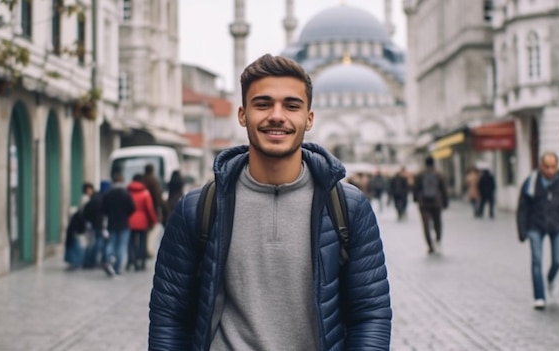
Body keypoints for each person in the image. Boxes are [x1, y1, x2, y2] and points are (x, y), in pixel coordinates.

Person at [149, 54, 392, 350]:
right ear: (242, 115)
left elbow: (370, 313)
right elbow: (170, 316)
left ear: (310, 118)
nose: (277, 115)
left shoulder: (348, 208)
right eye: (263, 104)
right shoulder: (198, 209)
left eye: (291, 105)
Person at [516, 152, 559, 310]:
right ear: (541, 166)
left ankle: (551, 278)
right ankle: (539, 296)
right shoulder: (532, 181)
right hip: (535, 225)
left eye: (553, 166)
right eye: (546, 166)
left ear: (557, 166)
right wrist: (522, 230)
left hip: (557, 224)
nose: (550, 170)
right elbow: (523, 207)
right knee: (537, 260)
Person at [101, 173, 136, 277]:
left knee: (111, 243)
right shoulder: (126, 194)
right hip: (123, 223)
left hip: (111, 223)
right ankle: (117, 268)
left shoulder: (108, 194)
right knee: (122, 246)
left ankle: (108, 260)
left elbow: (103, 209)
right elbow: (132, 208)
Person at [412, 156, 448, 254]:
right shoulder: (438, 174)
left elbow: (415, 188)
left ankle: (430, 245)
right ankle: (438, 240)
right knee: (437, 222)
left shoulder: (419, 174)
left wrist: (416, 199)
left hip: (424, 204)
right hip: (436, 203)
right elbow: (444, 189)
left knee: (426, 225)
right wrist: (445, 202)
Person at [126, 174, 158, 271]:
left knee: (131, 241)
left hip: (130, 220)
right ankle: (142, 262)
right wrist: (154, 219)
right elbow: (149, 209)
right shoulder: (145, 193)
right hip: (143, 221)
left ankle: (131, 260)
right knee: (142, 242)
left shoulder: (128, 192)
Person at [64, 183, 95, 270]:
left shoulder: (86, 199)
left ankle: (77, 261)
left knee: (80, 243)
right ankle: (78, 261)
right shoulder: (86, 199)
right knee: (80, 243)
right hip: (80, 225)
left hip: (80, 225)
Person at [83, 180, 111, 268]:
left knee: (98, 242)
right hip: (100, 224)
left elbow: (87, 210)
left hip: (96, 223)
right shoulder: (102, 198)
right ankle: (93, 260)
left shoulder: (96, 197)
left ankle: (94, 260)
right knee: (99, 243)